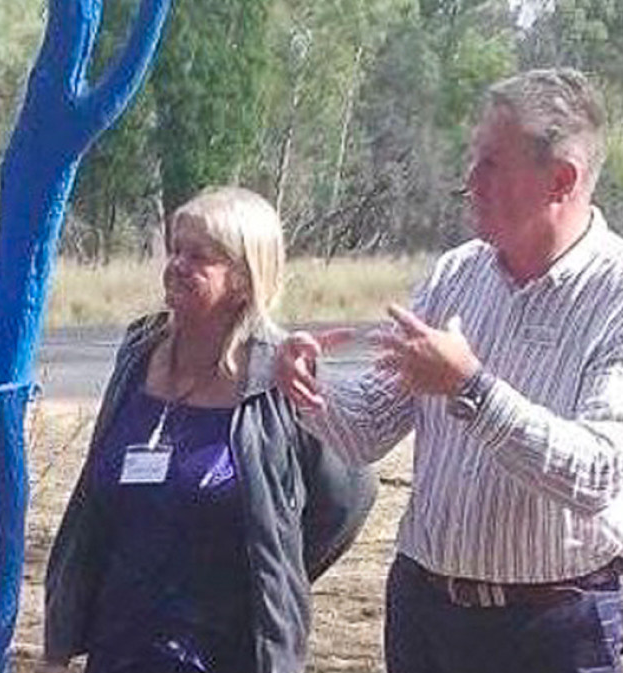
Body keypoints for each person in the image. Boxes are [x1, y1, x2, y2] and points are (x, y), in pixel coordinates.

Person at [278, 67, 623, 673]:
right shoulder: (456, 274)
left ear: (561, 180)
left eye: (491, 164)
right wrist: (307, 385)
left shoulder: (615, 295)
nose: (469, 182)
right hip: (426, 615)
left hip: (558, 631)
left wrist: (471, 388)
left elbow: (596, 473)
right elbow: (368, 430)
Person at [44, 186, 375, 673]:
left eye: (198, 256)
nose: (176, 264)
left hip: (228, 652)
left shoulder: (280, 373)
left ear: (243, 278)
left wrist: (276, 568)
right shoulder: (138, 354)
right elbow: (93, 502)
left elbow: (349, 496)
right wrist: (61, 634)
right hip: (123, 647)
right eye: (175, 249)